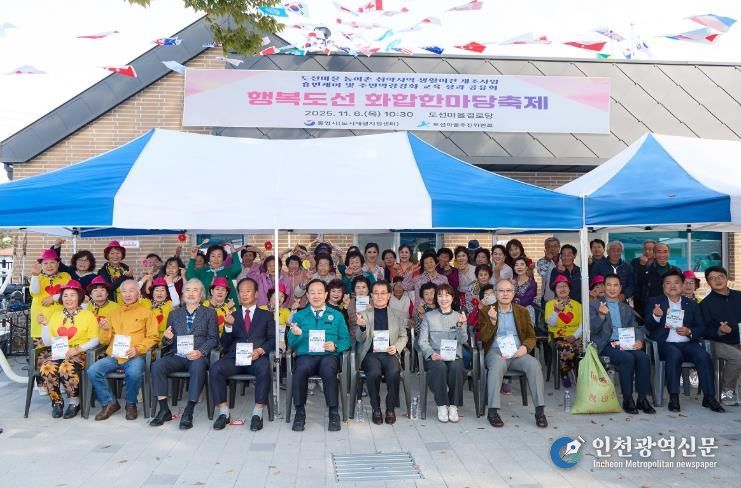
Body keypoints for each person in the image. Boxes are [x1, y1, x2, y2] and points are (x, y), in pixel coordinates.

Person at [644, 270, 724, 413]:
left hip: (687, 343)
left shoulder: (691, 304)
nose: (672, 286)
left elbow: (701, 327)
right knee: (674, 355)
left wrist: (689, 331)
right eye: (668, 283)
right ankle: (674, 397)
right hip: (665, 344)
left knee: (703, 356)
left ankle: (709, 397)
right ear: (663, 286)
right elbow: (649, 327)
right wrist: (656, 316)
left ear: (682, 285)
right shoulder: (655, 302)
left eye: (676, 282)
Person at [150, 279, 218, 429]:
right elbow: (167, 341)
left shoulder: (210, 313)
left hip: (197, 356)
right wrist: (167, 338)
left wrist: (200, 351)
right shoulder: (174, 314)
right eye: (188, 290)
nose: (191, 293)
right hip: (177, 355)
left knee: (197, 366)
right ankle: (164, 409)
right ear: (182, 294)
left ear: (201, 294)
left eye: (195, 290)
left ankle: (189, 410)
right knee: (157, 365)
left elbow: (213, 339)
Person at [479, 279, 547, 428]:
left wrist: (525, 348)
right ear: (495, 293)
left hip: (517, 352)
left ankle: (540, 411)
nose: (505, 294)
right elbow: (482, 338)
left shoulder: (522, 311)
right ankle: (493, 412)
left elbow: (531, 336)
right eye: (501, 291)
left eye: (508, 290)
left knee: (534, 364)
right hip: (496, 352)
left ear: (514, 293)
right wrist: (492, 321)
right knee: (497, 365)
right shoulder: (486, 311)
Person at [88, 280, 160, 421]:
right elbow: (104, 341)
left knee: (134, 372)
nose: (127, 294)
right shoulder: (113, 313)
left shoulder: (147, 313)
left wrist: (138, 349)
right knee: (93, 371)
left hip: (135, 355)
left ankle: (130, 403)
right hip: (114, 356)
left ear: (138, 293)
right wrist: (105, 329)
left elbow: (153, 337)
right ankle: (110, 403)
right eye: (124, 291)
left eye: (131, 290)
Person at [211, 278, 276, 431]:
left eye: (248, 291)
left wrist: (260, 351)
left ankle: (257, 413)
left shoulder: (266, 315)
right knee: (216, 368)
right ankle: (224, 413)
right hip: (235, 358)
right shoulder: (232, 315)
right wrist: (227, 327)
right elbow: (224, 344)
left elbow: (273, 340)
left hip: (256, 357)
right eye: (241, 291)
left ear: (256, 294)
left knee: (264, 368)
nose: (244, 294)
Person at [288, 279, 351, 432]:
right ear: (307, 296)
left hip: (328, 355)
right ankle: (300, 413)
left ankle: (333, 412)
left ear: (326, 295)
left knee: (328, 370)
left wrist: (335, 346)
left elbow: (346, 340)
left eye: (319, 292)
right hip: (306, 355)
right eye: (312, 293)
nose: (316, 296)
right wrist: (297, 334)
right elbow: (291, 344)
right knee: (300, 369)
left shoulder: (337, 315)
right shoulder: (299, 316)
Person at [590, 274, 655, 414]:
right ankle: (627, 398)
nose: (612, 288)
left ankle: (642, 399)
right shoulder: (594, 305)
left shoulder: (626, 308)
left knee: (643, 357)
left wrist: (639, 340)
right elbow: (592, 330)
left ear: (620, 288)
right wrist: (601, 315)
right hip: (606, 344)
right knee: (628, 358)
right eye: (608, 285)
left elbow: (635, 327)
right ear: (603, 287)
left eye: (615, 285)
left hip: (625, 342)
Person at [37, 280, 99, 419]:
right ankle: (57, 401)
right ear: (61, 298)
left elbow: (96, 339)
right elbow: (47, 342)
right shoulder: (56, 315)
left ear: (79, 297)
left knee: (66, 368)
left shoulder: (88, 315)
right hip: (59, 351)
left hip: (80, 353)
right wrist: (45, 325)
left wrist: (78, 349)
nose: (68, 299)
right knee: (47, 367)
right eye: (65, 295)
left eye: (72, 295)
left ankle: (74, 401)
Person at [355, 280, 408, 424]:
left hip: (389, 353)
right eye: (376, 293)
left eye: (383, 293)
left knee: (394, 372)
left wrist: (396, 347)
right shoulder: (364, 314)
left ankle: (390, 408)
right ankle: (376, 407)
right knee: (373, 373)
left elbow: (404, 336)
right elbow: (359, 339)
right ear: (371, 295)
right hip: (370, 354)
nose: (379, 296)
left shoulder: (398, 314)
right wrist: (362, 327)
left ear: (389, 295)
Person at [418, 284, 468, 423]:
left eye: (447, 295)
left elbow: (463, 340)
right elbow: (422, 341)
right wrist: (431, 353)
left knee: (457, 368)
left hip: (454, 355)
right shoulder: (429, 316)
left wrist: (460, 326)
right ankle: (441, 405)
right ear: (436, 298)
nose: (443, 298)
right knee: (439, 367)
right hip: (435, 355)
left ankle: (453, 406)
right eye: (440, 295)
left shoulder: (459, 316)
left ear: (452, 297)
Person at [699, 266, 741, 406]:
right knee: (737, 357)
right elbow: (703, 330)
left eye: (720, 277)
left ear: (726, 278)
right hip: (717, 342)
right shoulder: (705, 304)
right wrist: (719, 331)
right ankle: (727, 391)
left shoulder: (739, 296)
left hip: (739, 339)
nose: (717, 280)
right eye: (712, 278)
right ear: (708, 282)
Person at [545, 275, 582, 388]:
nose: (562, 289)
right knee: (566, 348)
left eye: (565, 286)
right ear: (555, 290)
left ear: (569, 289)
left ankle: (578, 371)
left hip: (575, 335)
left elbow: (583, 324)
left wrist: (574, 336)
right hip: (557, 336)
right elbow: (550, 323)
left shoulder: (577, 305)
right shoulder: (550, 304)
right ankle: (564, 372)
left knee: (584, 347)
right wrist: (556, 311)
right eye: (559, 287)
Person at [30, 249, 72, 348]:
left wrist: (54, 298)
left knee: (60, 354)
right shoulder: (38, 277)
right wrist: (35, 276)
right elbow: (35, 292)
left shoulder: (65, 276)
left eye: (52, 262)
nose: (49, 266)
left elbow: (70, 293)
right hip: (41, 321)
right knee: (41, 354)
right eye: (45, 263)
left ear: (58, 264)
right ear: (41, 265)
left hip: (60, 321)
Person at [637, 243, 681, 314]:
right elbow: (639, 289)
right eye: (659, 252)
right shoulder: (646, 270)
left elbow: (680, 290)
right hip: (652, 307)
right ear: (654, 255)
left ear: (669, 254)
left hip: (672, 308)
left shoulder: (676, 271)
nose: (662, 255)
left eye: (665, 252)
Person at [631, 239, 657, 315]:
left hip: (654, 298)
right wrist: (642, 266)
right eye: (645, 249)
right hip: (638, 298)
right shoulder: (635, 262)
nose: (647, 251)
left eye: (650, 249)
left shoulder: (658, 263)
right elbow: (635, 280)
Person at [512, 256, 537, 325]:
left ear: (526, 268)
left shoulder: (532, 283)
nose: (519, 267)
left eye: (522, 264)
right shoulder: (511, 281)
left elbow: (526, 301)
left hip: (526, 311)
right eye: (516, 265)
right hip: (512, 310)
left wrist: (513, 296)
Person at [537, 237, 561, 302]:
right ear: (546, 249)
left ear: (559, 247)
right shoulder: (541, 261)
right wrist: (547, 260)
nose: (552, 249)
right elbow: (542, 274)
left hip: (563, 296)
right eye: (549, 246)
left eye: (555, 246)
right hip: (548, 297)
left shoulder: (564, 259)